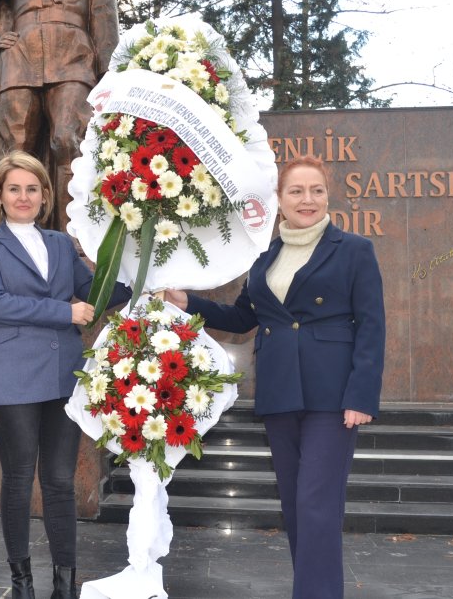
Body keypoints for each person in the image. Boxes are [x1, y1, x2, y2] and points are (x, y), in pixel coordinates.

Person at [165, 155, 385, 599]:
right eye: (297, 191)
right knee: (295, 506)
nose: (308, 199)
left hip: (332, 394)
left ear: (328, 195)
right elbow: (244, 316)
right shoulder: (264, 254)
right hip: (280, 390)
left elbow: (372, 326)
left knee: (316, 505)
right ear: (280, 200)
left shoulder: (354, 249)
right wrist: (188, 302)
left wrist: (361, 395)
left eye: (317, 190)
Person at [0, 151, 128, 599]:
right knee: (18, 479)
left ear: (44, 196)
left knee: (59, 481)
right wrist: (64, 312)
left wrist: (145, 272)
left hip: (62, 378)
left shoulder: (60, 244)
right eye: (14, 188)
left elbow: (95, 292)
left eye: (32, 189)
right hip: (12, 378)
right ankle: (21, 583)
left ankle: (64, 584)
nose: (23, 196)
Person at [0, 0, 118, 230]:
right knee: (16, 152)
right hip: (20, 57)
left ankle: (74, 235)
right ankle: (13, 236)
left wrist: (110, 78)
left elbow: (104, 19)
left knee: (69, 141)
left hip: (74, 55)